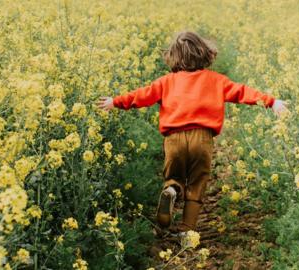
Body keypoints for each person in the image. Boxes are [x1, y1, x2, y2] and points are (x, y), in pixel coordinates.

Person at [96, 31, 288, 236]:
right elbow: (243, 92)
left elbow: (142, 96)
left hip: (174, 139)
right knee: (196, 183)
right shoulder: (217, 80)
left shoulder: (166, 81)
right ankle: (188, 233)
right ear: (204, 53)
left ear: (173, 56)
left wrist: (115, 102)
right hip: (202, 139)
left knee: (174, 176)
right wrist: (271, 102)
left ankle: (171, 190)